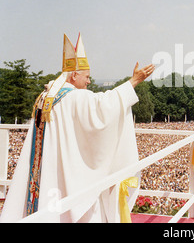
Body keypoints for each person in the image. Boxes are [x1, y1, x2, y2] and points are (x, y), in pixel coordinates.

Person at [0, 33, 155, 223]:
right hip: (60, 173)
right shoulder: (73, 97)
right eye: (87, 77)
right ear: (74, 75)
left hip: (42, 170)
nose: (89, 82)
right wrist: (135, 81)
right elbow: (103, 106)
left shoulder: (45, 95)